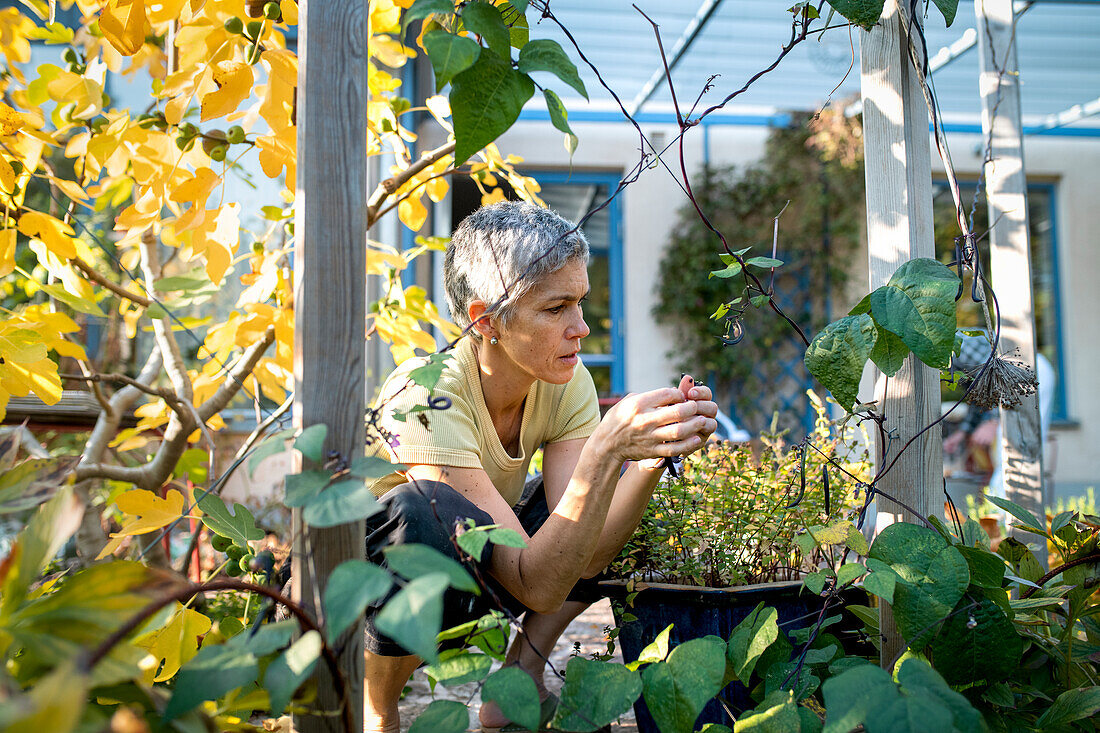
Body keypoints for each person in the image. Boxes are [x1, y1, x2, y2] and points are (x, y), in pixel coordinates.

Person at [362, 201, 718, 733]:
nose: (581, 327)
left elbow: (585, 549)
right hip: (365, 598)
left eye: (580, 302)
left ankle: (523, 672)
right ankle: (377, 709)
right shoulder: (426, 394)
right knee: (420, 515)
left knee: (598, 510)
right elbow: (536, 584)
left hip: (476, 570)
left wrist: (649, 458)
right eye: (556, 309)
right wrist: (606, 451)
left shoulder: (565, 380)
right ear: (486, 321)